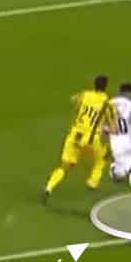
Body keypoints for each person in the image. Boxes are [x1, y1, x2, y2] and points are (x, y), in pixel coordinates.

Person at [42, 74, 113, 203]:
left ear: (94, 84)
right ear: (106, 87)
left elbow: (73, 99)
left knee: (64, 167)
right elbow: (112, 124)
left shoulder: (85, 95)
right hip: (92, 139)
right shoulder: (107, 102)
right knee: (101, 159)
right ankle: (92, 182)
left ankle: (49, 187)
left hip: (75, 136)